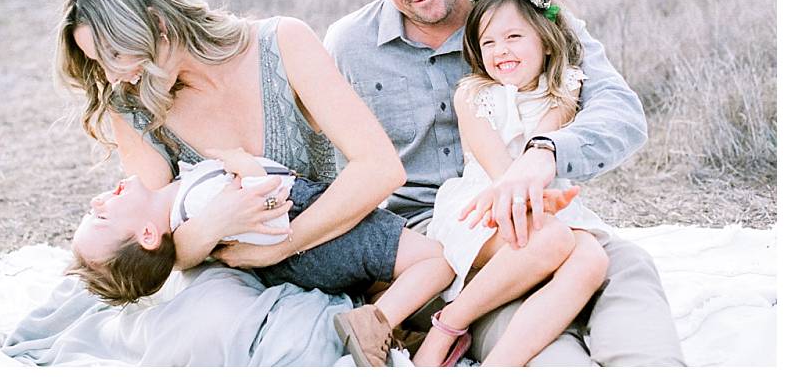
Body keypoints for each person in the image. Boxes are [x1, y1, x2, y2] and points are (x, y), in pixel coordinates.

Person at [323, 0, 685, 365]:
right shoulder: (349, 46)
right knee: (548, 347)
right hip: (438, 246)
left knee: (627, 267)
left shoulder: (526, 16)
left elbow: (619, 110)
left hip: (541, 215)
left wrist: (545, 153)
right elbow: (323, 161)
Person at [54, 0, 416, 364]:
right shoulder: (131, 105)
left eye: (115, 54)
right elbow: (158, 250)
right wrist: (214, 223)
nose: (113, 76)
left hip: (331, 244)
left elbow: (381, 170)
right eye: (99, 63)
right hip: (227, 278)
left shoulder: (281, 43)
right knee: (210, 326)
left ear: (157, 23)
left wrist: (283, 245)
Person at [67, 147, 578, 366]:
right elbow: (266, 199)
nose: (97, 200)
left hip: (311, 244)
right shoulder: (200, 204)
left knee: (414, 265)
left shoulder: (184, 201)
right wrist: (241, 161)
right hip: (320, 234)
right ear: (151, 235)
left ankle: (398, 319)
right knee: (436, 261)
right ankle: (378, 322)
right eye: (103, 217)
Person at [414, 0, 611, 366]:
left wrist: (539, 198)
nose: (500, 50)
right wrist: (529, 196)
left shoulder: (564, 87)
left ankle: (500, 364)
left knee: (592, 258)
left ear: (544, 39)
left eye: (513, 37)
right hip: (481, 204)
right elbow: (504, 172)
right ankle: (448, 326)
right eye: (488, 42)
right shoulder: (472, 94)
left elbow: (540, 151)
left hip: (541, 202)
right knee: (553, 240)